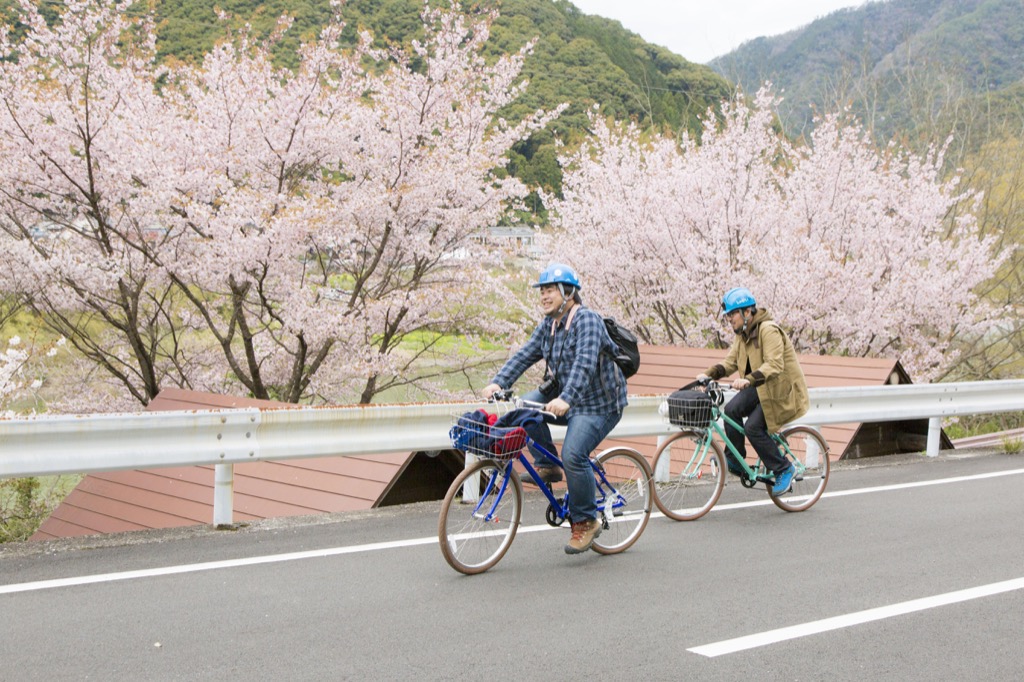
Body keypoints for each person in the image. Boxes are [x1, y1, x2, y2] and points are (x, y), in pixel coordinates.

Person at [482, 263, 628, 555]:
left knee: (574, 454)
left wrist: (567, 397)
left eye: (550, 290)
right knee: (523, 414)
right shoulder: (548, 325)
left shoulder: (587, 321)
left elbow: (584, 365)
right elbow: (524, 355)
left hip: (599, 405)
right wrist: (499, 382)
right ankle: (547, 466)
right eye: (542, 291)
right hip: (565, 397)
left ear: (568, 292)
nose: (544, 297)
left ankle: (586, 520)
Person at [698, 287, 810, 496]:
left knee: (753, 428)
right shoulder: (742, 335)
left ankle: (784, 468)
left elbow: (775, 364)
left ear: (746, 312)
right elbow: (729, 363)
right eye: (728, 316)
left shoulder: (768, 330)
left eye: (732, 314)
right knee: (731, 409)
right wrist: (708, 375)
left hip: (779, 391)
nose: (729, 319)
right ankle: (735, 458)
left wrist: (748, 380)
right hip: (761, 388)